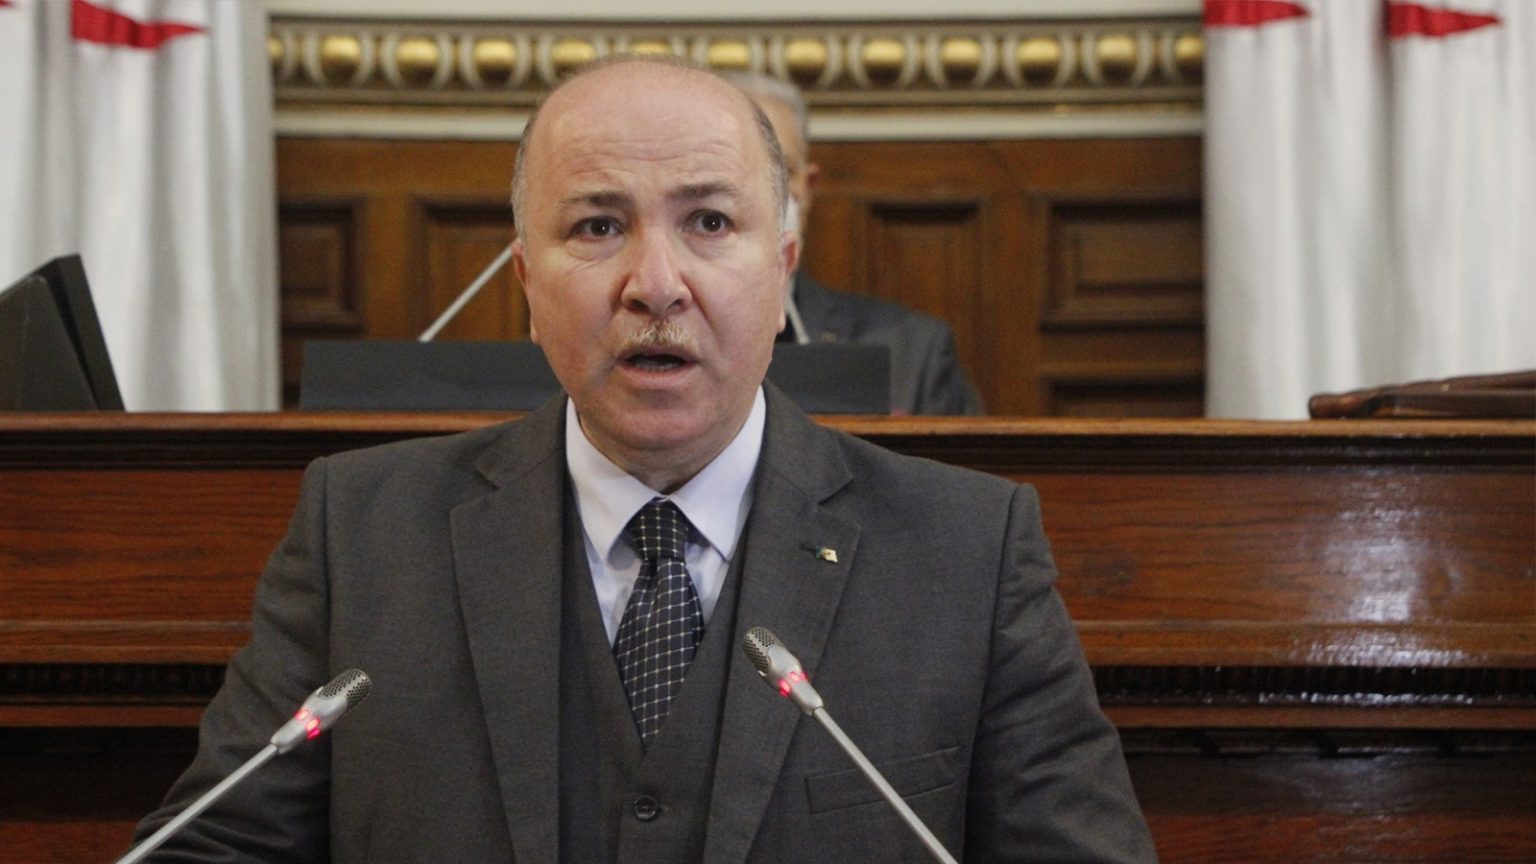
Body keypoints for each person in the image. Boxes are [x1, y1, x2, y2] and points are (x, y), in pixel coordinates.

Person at [131, 56, 1155, 863]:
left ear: (781, 269)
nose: (655, 283)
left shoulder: (970, 552)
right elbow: (214, 847)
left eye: (709, 222)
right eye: (598, 225)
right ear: (527, 284)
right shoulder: (361, 536)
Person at [724, 71, 985, 417]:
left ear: (807, 188)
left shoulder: (911, 353)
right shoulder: (655, 352)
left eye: (780, 172)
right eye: (726, 174)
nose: (758, 197)